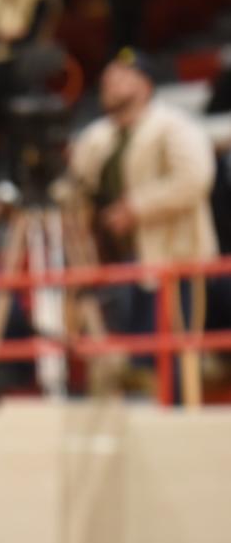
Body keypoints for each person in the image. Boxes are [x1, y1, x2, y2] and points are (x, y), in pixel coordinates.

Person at [66, 48, 218, 401]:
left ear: (144, 84)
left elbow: (195, 177)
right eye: (106, 78)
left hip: (170, 260)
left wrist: (136, 207)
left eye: (120, 76)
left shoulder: (173, 126)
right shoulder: (96, 137)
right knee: (126, 358)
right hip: (117, 266)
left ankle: (176, 421)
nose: (109, 83)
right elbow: (75, 186)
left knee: (168, 355)